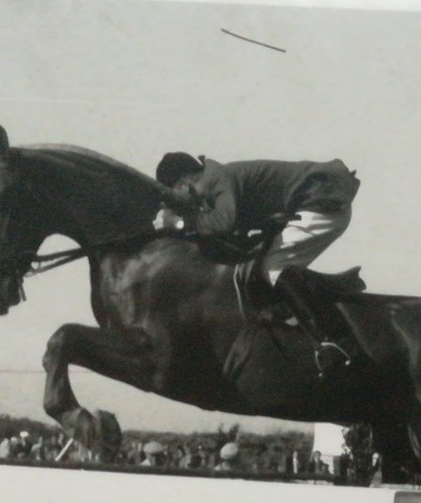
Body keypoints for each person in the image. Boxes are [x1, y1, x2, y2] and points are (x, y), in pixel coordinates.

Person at [153, 151, 362, 375]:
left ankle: (335, 339)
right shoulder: (216, 179)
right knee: (267, 262)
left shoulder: (216, 179)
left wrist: (178, 224)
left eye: (174, 194)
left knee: (275, 266)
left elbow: (223, 222)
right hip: (317, 202)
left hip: (323, 205)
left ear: (184, 183)